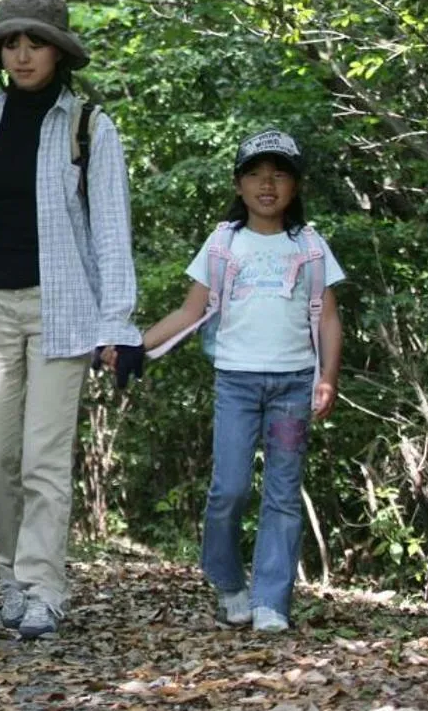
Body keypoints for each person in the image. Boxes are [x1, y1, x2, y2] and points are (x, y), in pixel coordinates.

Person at [0, 0, 140, 640]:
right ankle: (12, 573)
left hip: (63, 310)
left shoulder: (89, 127)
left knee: (46, 458)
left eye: (34, 43)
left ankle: (43, 587)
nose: (21, 55)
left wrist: (118, 325)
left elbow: (109, 229)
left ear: (58, 53)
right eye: (11, 44)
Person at [133, 129, 345, 634]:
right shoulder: (224, 243)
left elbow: (329, 319)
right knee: (228, 488)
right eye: (255, 174)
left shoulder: (311, 246)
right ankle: (228, 583)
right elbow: (191, 310)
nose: (266, 185)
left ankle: (272, 600)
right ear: (239, 183)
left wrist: (328, 378)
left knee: (283, 493)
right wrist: (133, 346)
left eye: (279, 175)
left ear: (295, 185)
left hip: (293, 385)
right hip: (237, 383)